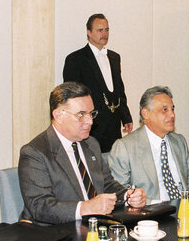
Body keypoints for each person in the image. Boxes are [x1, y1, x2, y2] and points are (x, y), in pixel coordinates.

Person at [18, 82, 145, 224]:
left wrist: (128, 195)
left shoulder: (91, 144)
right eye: (81, 115)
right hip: (55, 233)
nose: (90, 121)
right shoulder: (35, 153)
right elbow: (39, 206)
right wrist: (85, 208)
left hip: (96, 226)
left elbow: (107, 184)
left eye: (91, 114)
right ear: (58, 115)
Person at [108, 86, 189, 201]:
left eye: (172, 109)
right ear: (146, 113)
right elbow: (119, 193)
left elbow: (188, 180)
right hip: (150, 212)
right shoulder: (125, 147)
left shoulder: (179, 141)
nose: (172, 115)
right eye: (165, 109)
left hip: (184, 208)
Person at [63, 13, 133, 152]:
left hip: (113, 122)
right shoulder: (75, 59)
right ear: (89, 32)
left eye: (107, 30)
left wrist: (126, 117)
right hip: (91, 124)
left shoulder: (114, 57)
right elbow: (71, 96)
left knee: (112, 162)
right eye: (100, 30)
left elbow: (119, 89)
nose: (104, 34)